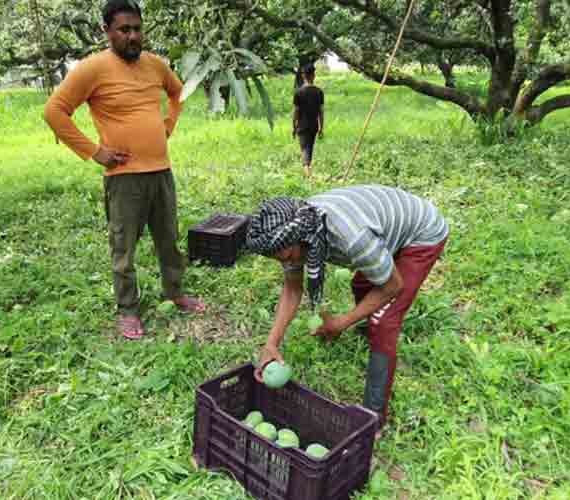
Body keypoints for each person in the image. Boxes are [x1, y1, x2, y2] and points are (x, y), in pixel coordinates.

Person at [43, 0, 205, 340]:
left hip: (161, 171)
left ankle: (175, 292)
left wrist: (168, 125)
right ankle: (128, 310)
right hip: (124, 178)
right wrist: (94, 152)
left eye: (137, 29)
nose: (133, 36)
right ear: (107, 31)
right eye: (124, 30)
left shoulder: (155, 64)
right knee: (124, 249)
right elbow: (55, 111)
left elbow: (178, 92)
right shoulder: (91, 69)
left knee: (168, 240)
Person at [245, 185, 449, 427]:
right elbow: (292, 288)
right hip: (383, 231)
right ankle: (369, 334)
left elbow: (393, 286)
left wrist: (342, 322)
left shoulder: (352, 238)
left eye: (288, 257)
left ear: (302, 238)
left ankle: (373, 419)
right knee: (363, 286)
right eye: (281, 259)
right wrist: (271, 343)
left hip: (421, 233)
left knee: (383, 321)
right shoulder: (297, 233)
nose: (287, 262)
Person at [292, 64, 324, 176]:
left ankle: (307, 173)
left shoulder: (298, 92)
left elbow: (296, 111)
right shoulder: (319, 92)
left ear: (303, 76)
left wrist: (294, 126)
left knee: (304, 149)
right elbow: (321, 112)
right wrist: (321, 127)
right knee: (309, 147)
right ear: (313, 75)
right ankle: (308, 170)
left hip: (302, 126)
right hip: (314, 126)